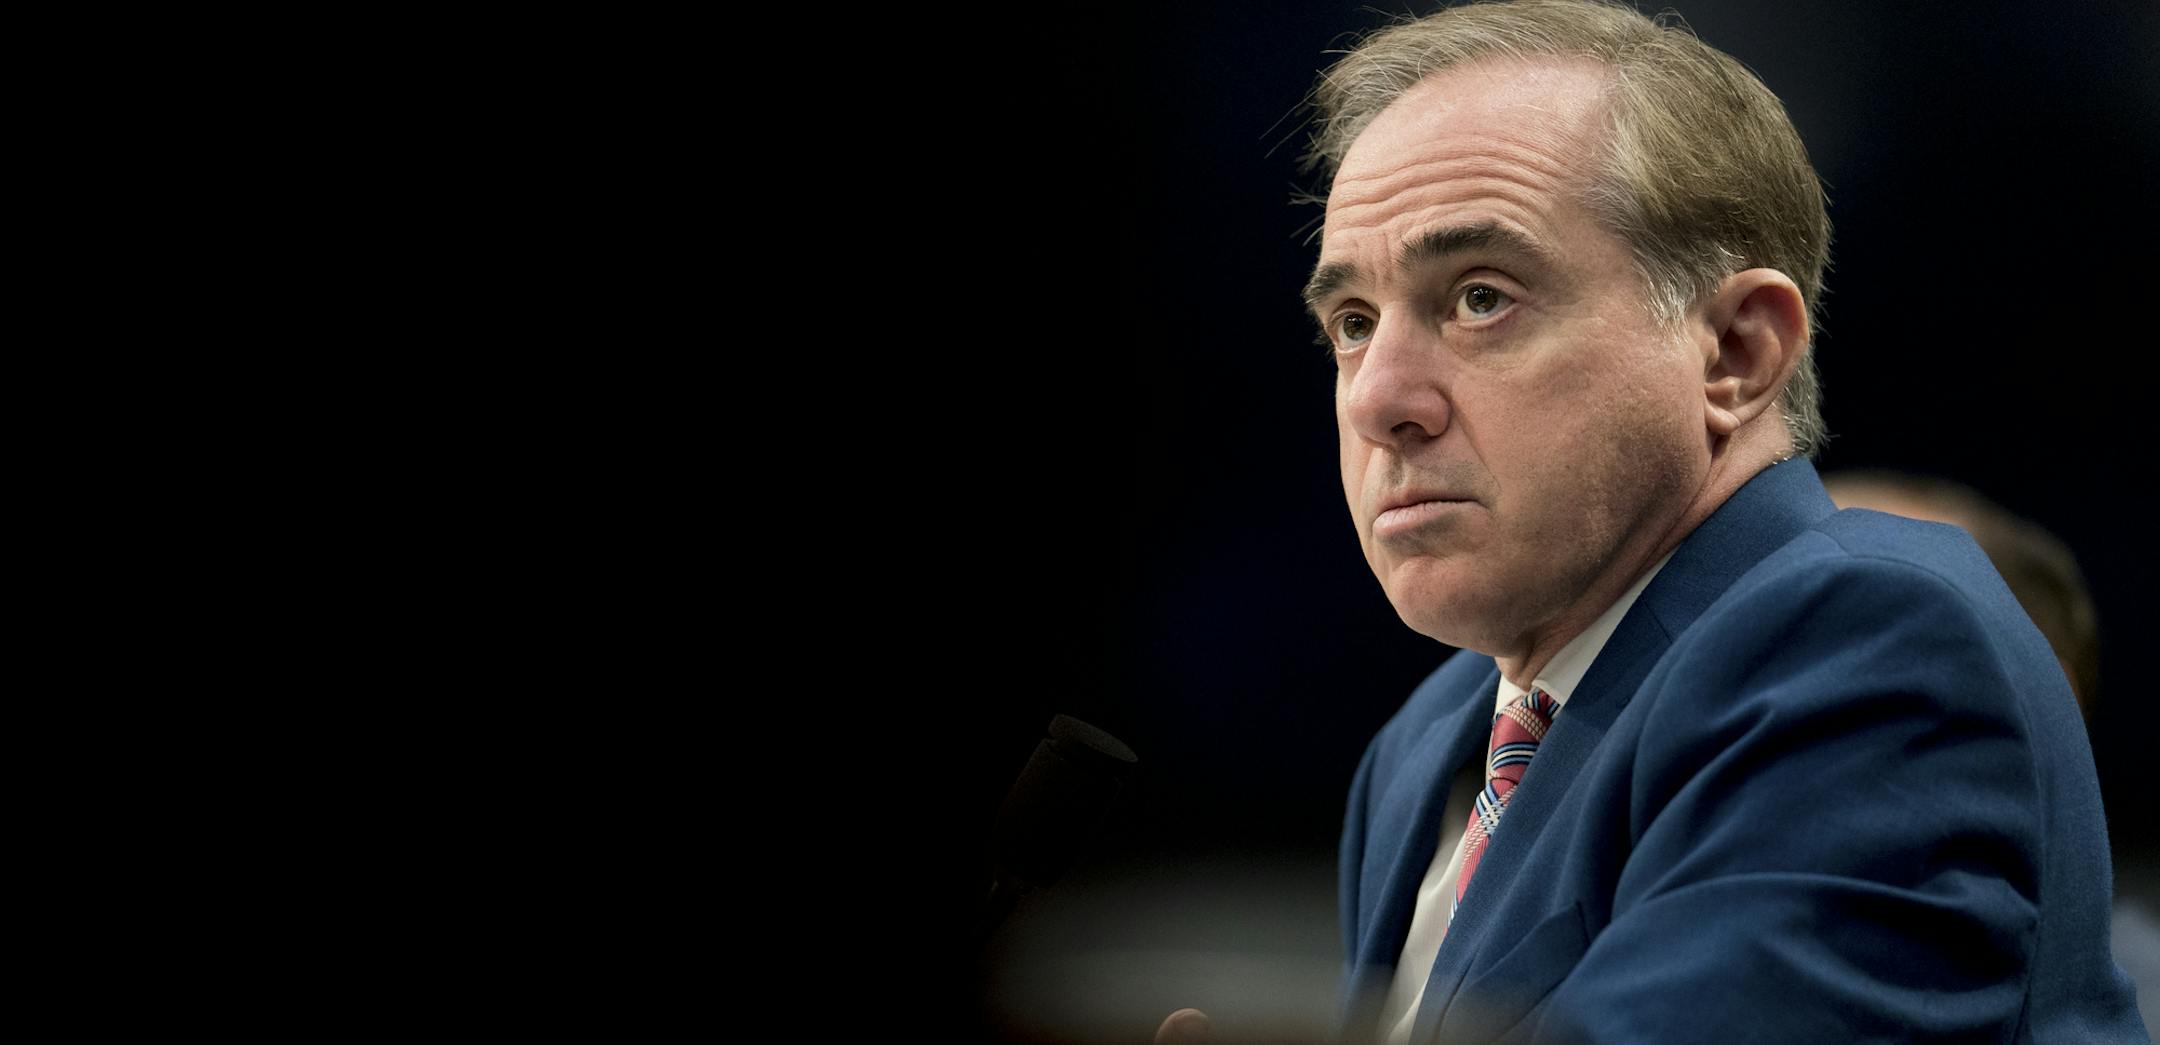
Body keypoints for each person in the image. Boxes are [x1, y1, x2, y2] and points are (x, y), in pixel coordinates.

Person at [1161, 0, 2150, 1041]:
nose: (1376, 399)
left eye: (1481, 297)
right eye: (1354, 322)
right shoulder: (1425, 747)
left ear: (1736, 352)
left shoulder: (1872, 651)